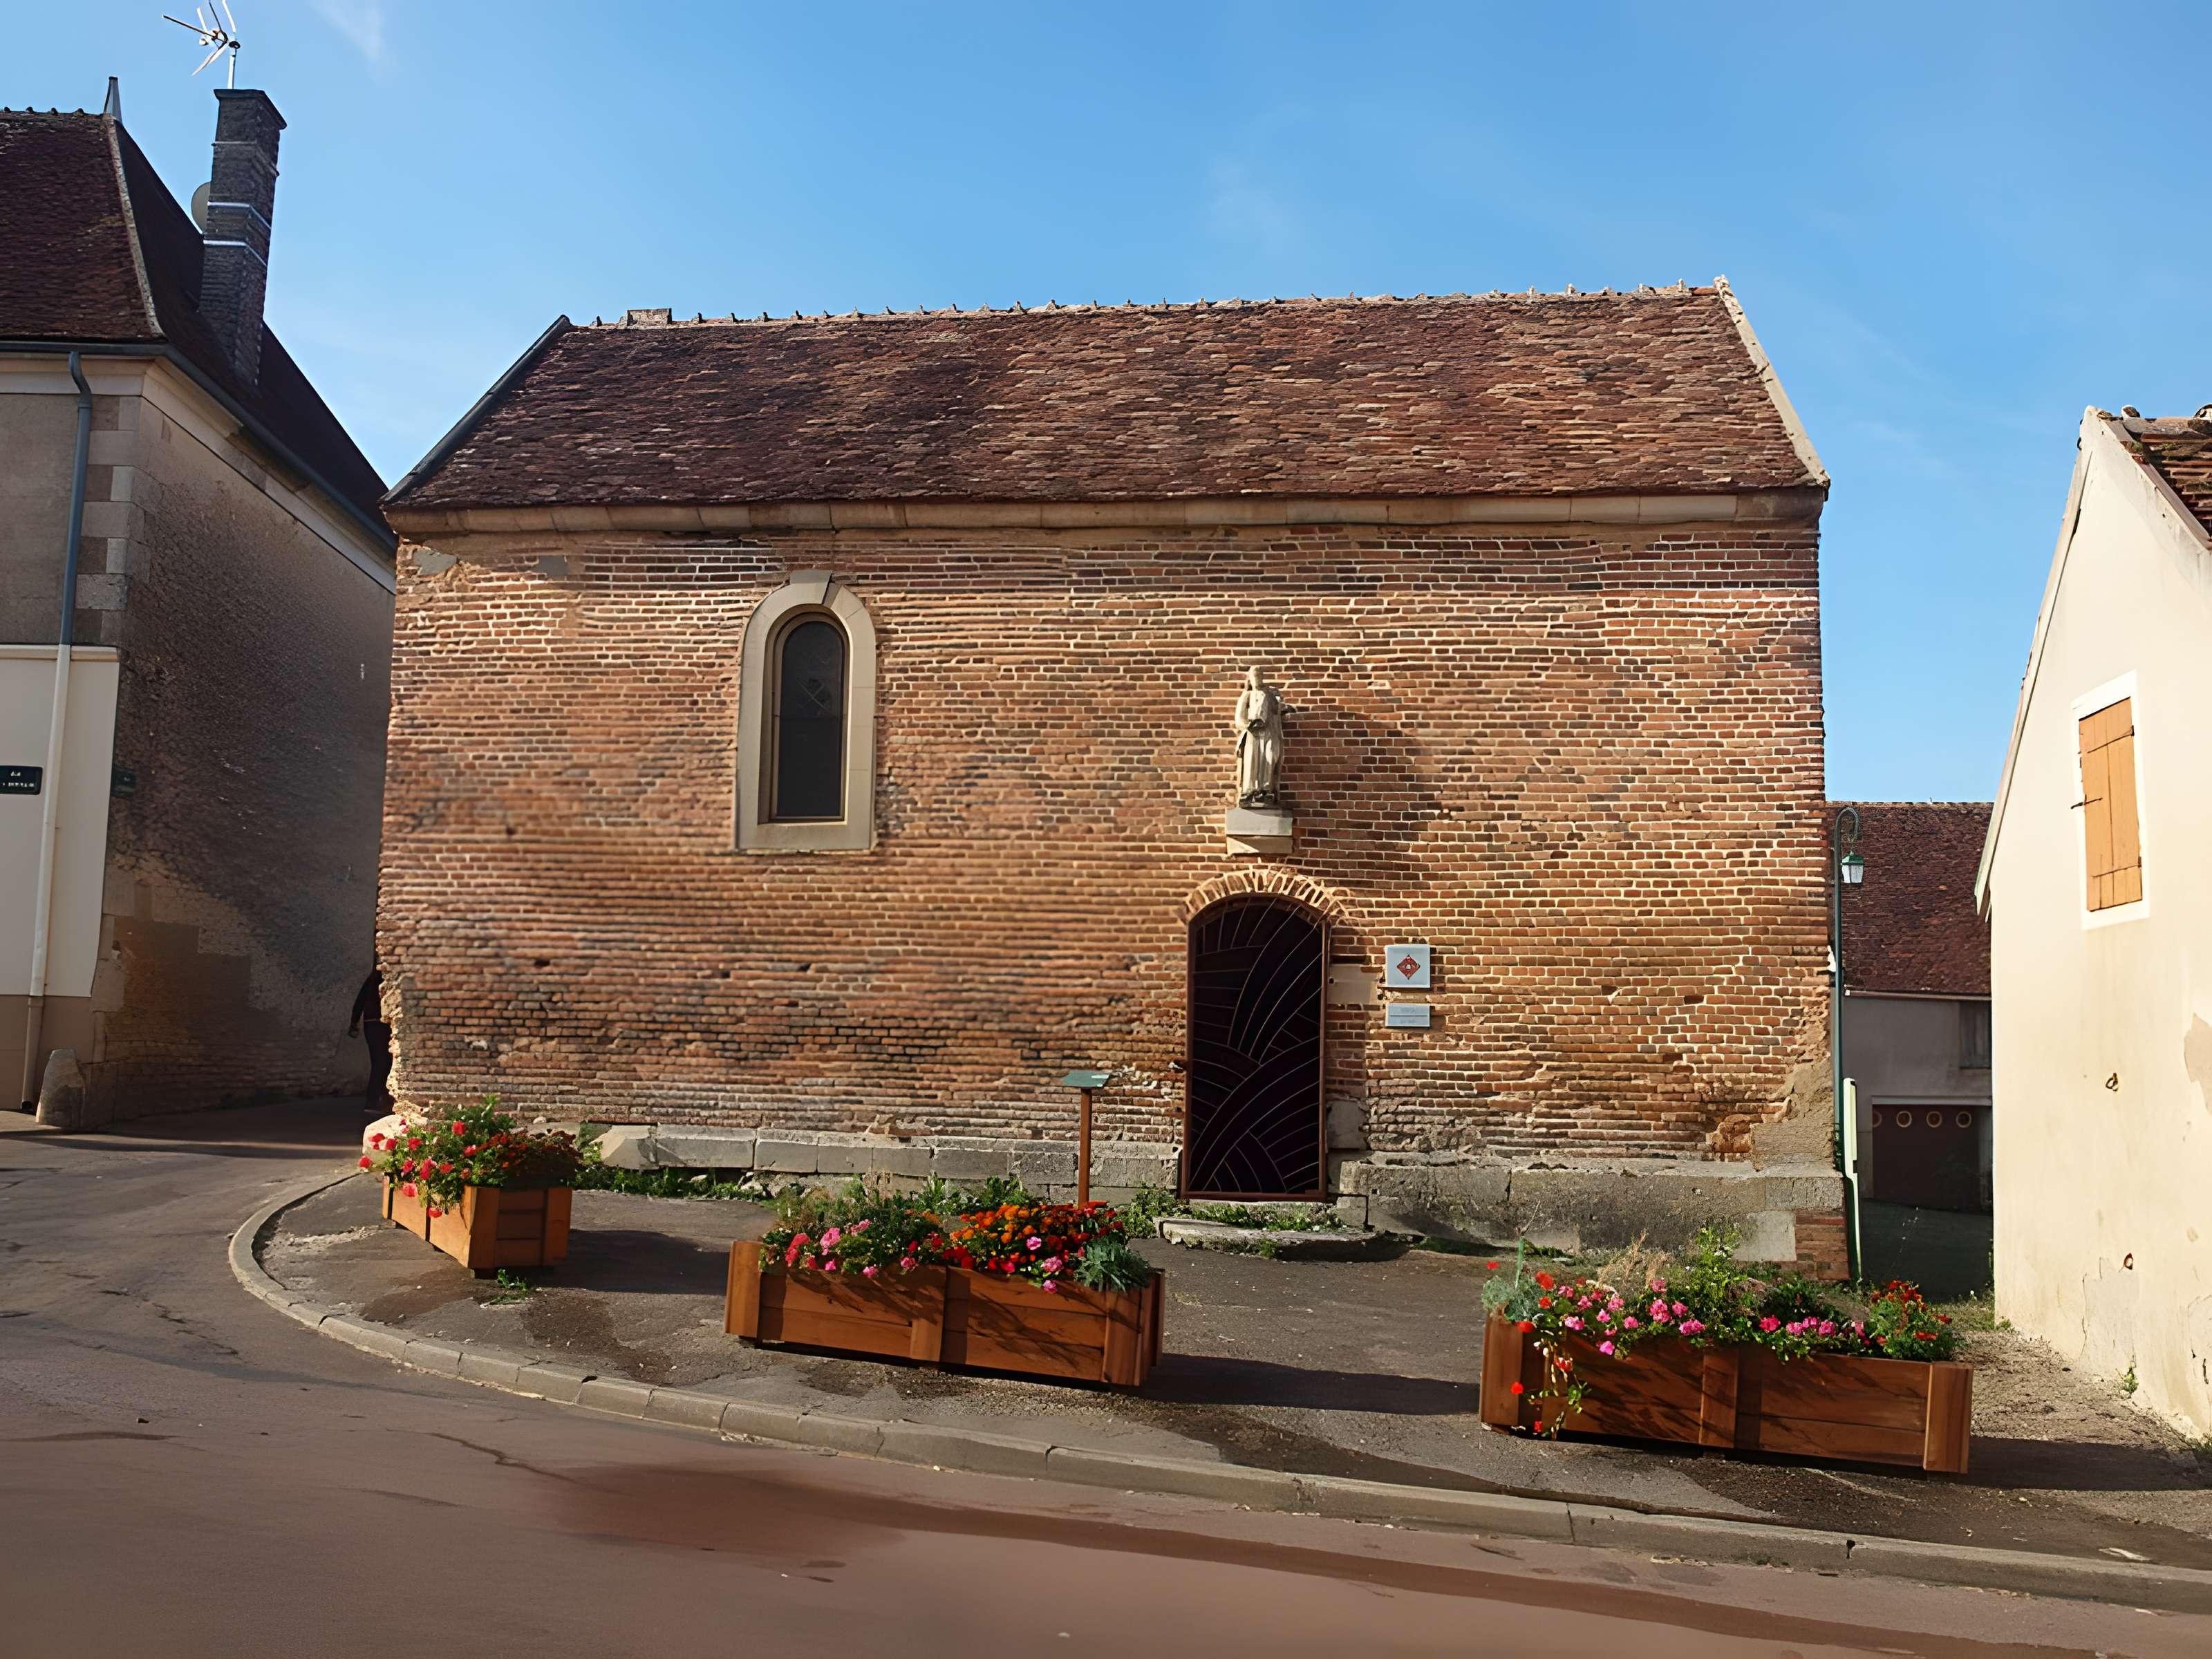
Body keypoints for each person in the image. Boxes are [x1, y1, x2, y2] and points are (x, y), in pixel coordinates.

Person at [349, 967, 392, 1111]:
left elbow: (360, 1000)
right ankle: (374, 1101)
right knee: (382, 1062)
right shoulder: (382, 977)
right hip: (378, 1024)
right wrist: (354, 1022)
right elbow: (361, 999)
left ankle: (379, 1099)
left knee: (382, 1062)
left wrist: (354, 1022)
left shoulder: (374, 977)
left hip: (374, 1024)